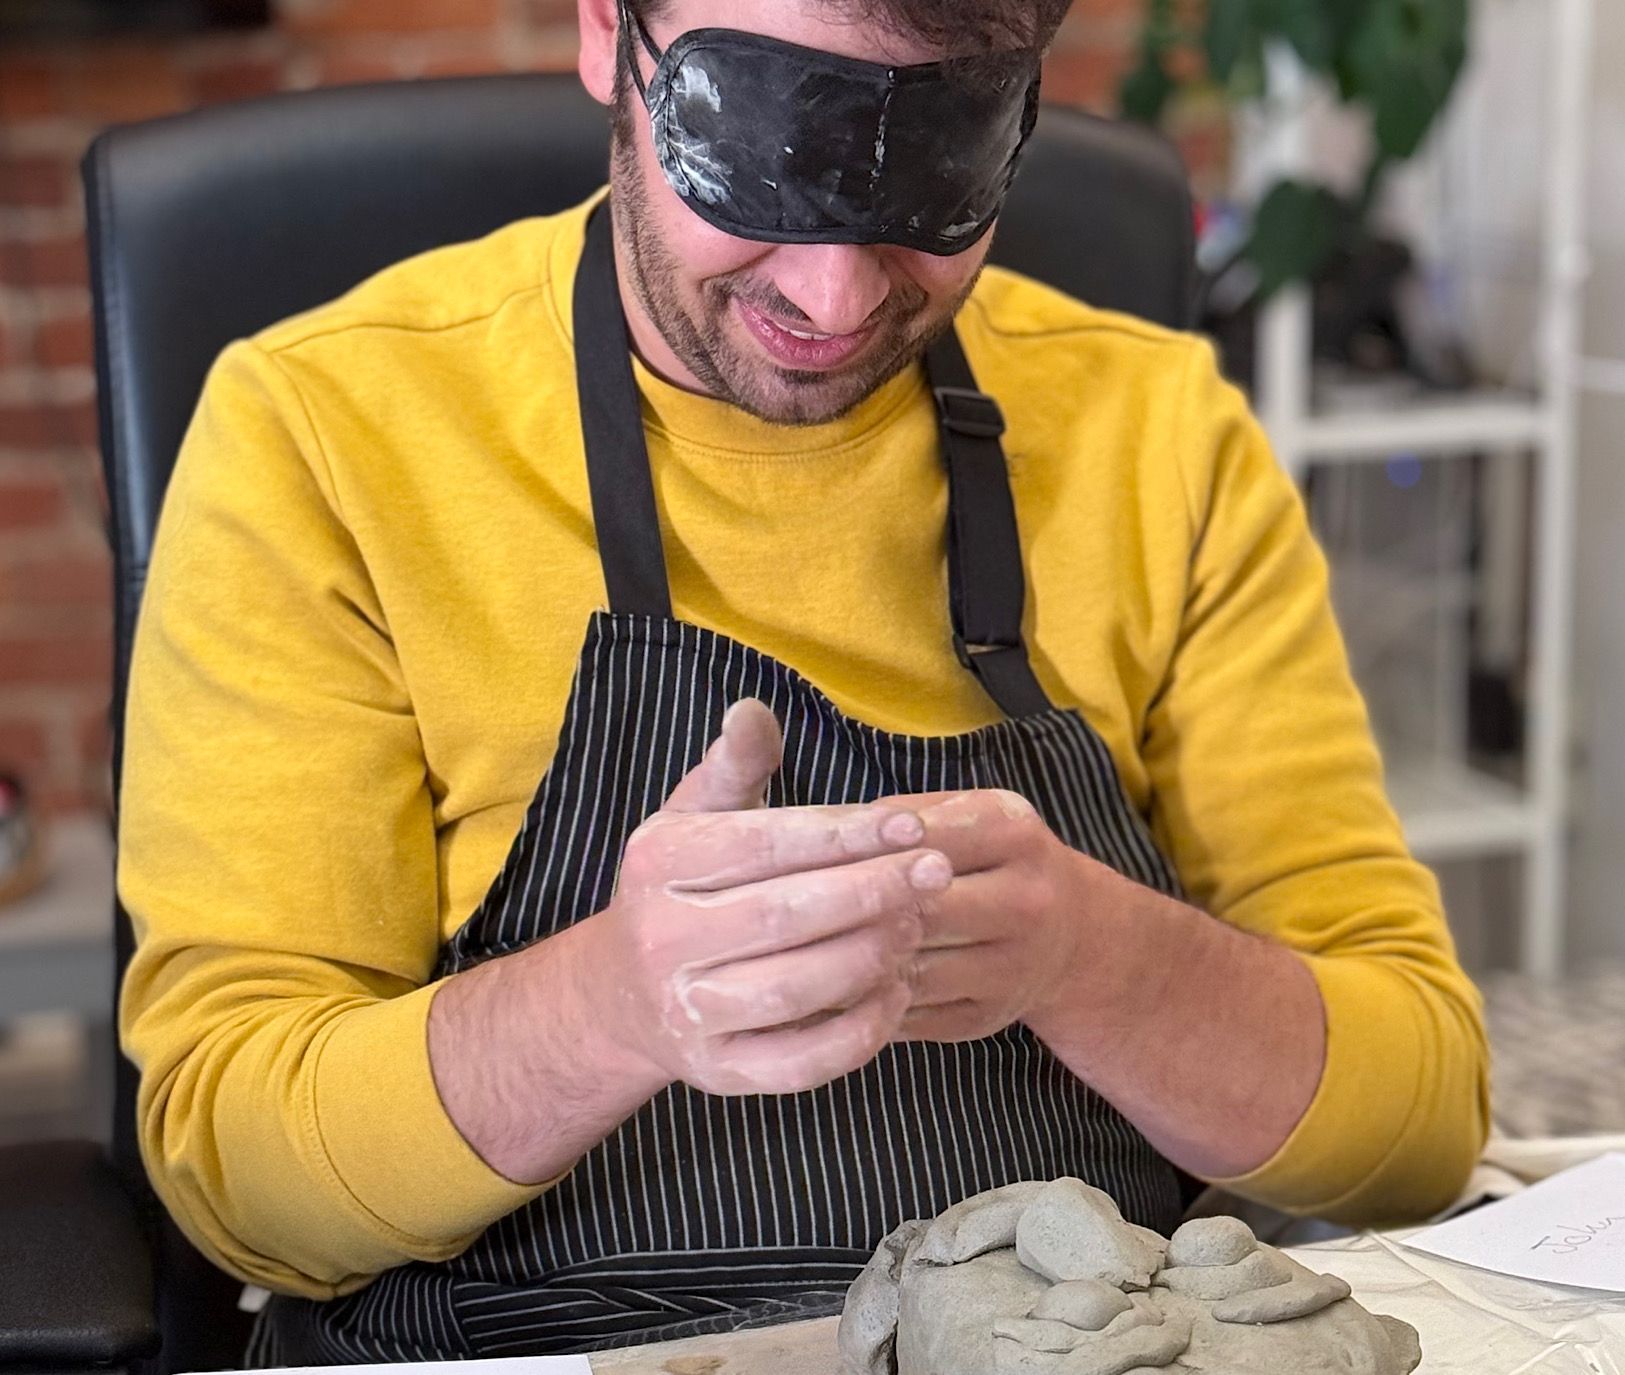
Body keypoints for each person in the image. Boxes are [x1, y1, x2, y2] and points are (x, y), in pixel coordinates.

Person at [116, 0, 1490, 1360]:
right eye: (766, 153)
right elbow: (235, 1173)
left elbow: (1418, 1124)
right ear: (610, 34)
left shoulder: (1159, 440)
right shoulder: (324, 438)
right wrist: (610, 1007)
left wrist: (1094, 957)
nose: (833, 297)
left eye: (938, 174)